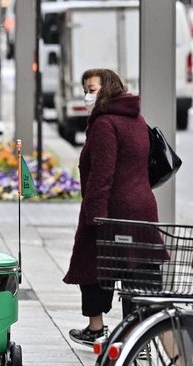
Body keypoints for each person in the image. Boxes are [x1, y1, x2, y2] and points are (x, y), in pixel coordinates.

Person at [64, 69, 161, 346]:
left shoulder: (106, 124)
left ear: (107, 88)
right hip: (142, 207)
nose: (87, 95)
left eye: (92, 89)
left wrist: (94, 215)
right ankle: (138, 337)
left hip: (113, 208)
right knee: (137, 270)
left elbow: (102, 174)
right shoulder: (136, 119)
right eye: (86, 89)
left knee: (91, 263)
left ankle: (96, 328)